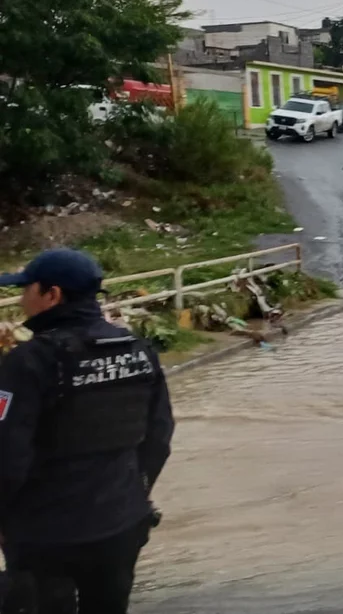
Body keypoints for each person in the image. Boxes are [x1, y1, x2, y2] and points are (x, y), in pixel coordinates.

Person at [0, 249, 174, 614]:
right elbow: (159, 437)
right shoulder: (138, 351)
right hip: (121, 525)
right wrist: (134, 496)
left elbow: (8, 454)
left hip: (45, 535)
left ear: (52, 295)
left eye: (26, 289)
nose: (20, 298)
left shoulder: (28, 362)